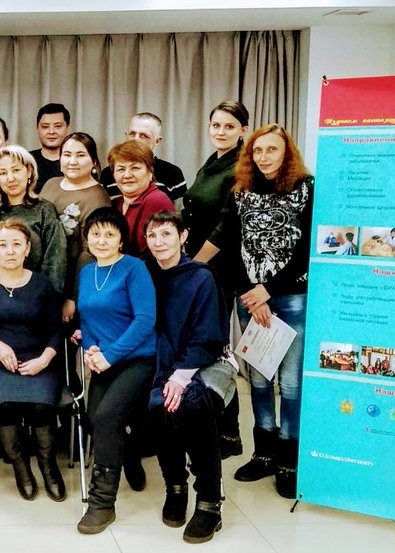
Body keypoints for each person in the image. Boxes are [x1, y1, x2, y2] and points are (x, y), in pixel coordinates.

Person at [196, 124, 314, 500]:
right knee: (259, 379)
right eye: (258, 150)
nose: (264, 157)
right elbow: (227, 238)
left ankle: (288, 462)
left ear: (286, 152)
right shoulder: (241, 190)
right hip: (250, 298)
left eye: (272, 150)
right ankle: (263, 454)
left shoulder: (306, 189)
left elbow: (307, 248)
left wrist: (268, 290)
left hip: (291, 296)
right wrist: (247, 291)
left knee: (291, 383)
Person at [0, 219, 66, 502]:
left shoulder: (42, 285)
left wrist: (45, 359)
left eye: (16, 244)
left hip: (40, 360)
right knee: (5, 406)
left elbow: (57, 330)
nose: (10, 251)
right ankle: (21, 467)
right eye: (2, 245)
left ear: (27, 248)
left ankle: (48, 465)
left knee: (43, 407)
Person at [145, 210, 232, 544]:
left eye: (167, 234)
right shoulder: (146, 272)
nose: (159, 242)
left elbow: (209, 335)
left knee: (192, 407)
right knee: (159, 409)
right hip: (162, 362)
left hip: (207, 362)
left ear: (183, 236)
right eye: (152, 235)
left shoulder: (201, 277)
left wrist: (181, 377)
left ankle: (210, 502)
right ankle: (176, 486)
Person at [74, 207, 156, 534]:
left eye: (110, 233)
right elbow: (88, 318)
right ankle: (130, 455)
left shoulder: (134, 268)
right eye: (96, 234)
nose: (102, 240)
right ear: (87, 238)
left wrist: (110, 355)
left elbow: (145, 320)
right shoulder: (86, 272)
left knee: (108, 417)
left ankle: (101, 503)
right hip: (103, 358)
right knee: (95, 418)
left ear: (121, 238)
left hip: (138, 358)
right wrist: (92, 350)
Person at [183, 101, 249, 460]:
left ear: (242, 130)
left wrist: (194, 266)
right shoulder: (213, 162)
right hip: (199, 266)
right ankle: (219, 426)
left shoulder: (240, 166)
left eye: (228, 126)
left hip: (216, 270)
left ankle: (228, 433)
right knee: (208, 344)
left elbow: (228, 224)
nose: (220, 131)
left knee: (216, 348)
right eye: (215, 125)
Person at [38, 132, 111, 322]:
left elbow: (91, 252)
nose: (72, 161)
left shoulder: (97, 197)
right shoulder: (51, 184)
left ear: (94, 161)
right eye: (67, 154)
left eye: (80, 155)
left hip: (70, 281)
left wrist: (72, 297)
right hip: (43, 276)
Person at [0, 145, 67, 291]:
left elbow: (55, 259)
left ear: (29, 172)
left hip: (36, 293)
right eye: (3, 173)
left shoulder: (44, 209)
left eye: (16, 170)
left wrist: (49, 295)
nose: (10, 178)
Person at [109, 139, 175, 259]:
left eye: (135, 168)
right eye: (121, 169)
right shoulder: (115, 204)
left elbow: (153, 255)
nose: (127, 175)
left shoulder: (157, 200)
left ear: (150, 172)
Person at [99, 113, 187, 201]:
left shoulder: (172, 173)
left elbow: (177, 213)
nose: (135, 139)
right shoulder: (108, 173)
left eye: (144, 136)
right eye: (132, 134)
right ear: (126, 135)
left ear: (157, 141)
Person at [30, 103, 70, 188]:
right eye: (45, 127)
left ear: (68, 128)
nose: (51, 132)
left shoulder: (76, 162)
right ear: (37, 129)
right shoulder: (25, 160)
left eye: (58, 126)